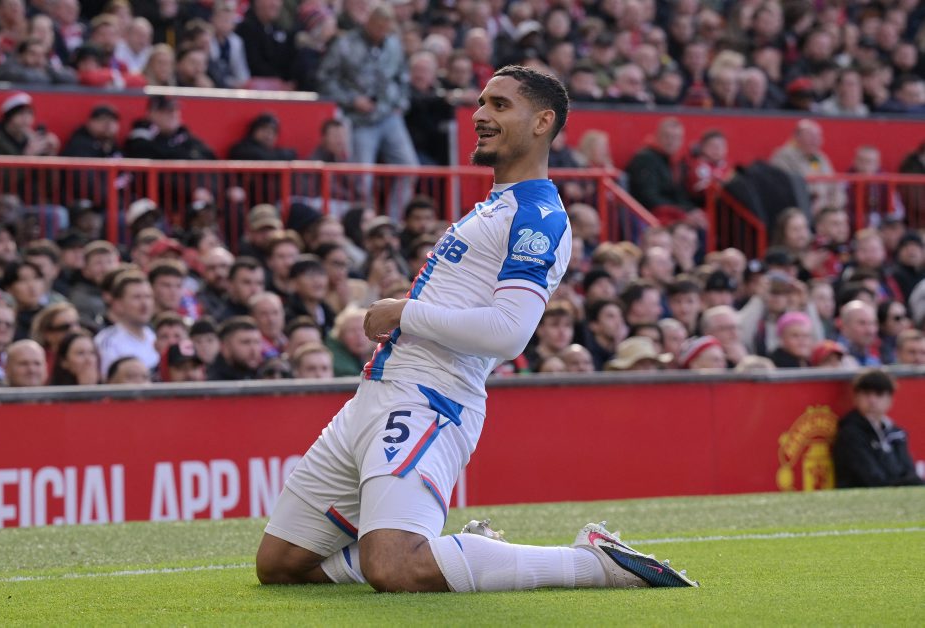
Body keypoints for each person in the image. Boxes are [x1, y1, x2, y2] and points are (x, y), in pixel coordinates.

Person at [256, 66, 696, 593]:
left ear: (543, 122)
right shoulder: (495, 206)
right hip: (373, 395)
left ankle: (594, 562)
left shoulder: (538, 216)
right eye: (482, 103)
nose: (481, 115)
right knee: (280, 565)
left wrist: (404, 313)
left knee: (393, 567)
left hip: (429, 399)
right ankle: (468, 553)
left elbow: (510, 333)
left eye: (500, 105)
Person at [316, 2, 419, 220]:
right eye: (378, 27)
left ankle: (395, 220)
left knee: (410, 168)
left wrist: (401, 103)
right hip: (359, 119)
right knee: (362, 179)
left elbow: (403, 77)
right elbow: (324, 78)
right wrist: (352, 100)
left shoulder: (394, 44)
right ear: (368, 22)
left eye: (386, 28)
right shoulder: (345, 43)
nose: (382, 32)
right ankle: (365, 222)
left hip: (390, 115)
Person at [832, 369, 923, 488]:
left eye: (879, 394)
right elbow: (872, 479)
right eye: (866, 394)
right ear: (856, 398)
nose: (872, 400)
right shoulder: (850, 434)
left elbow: (909, 471)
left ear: (890, 399)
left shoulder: (897, 432)